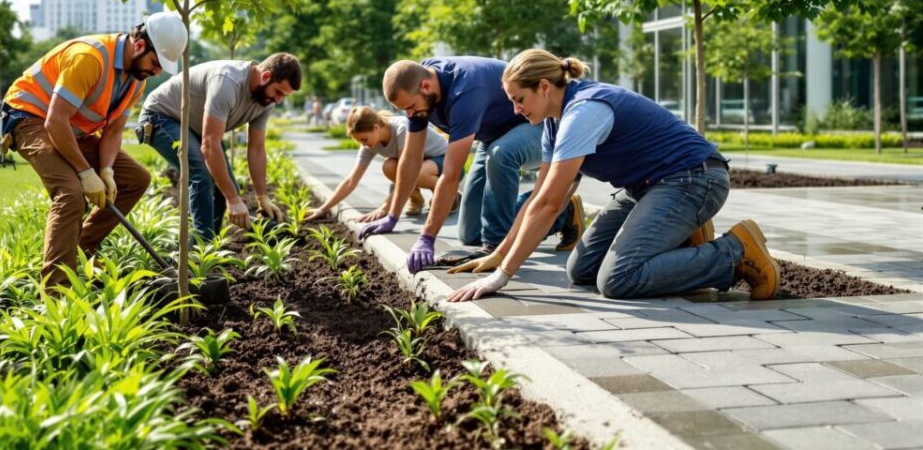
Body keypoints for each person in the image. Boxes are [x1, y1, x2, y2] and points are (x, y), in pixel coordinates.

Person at [447, 49, 779, 302]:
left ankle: (736, 253)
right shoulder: (552, 122)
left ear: (544, 87)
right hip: (648, 187)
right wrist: (499, 252)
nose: (516, 111)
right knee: (581, 270)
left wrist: (502, 277)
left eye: (519, 100)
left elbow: (549, 205)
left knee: (619, 280)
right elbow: (540, 197)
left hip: (693, 179)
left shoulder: (583, 113)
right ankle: (683, 236)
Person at [0, 11, 186, 291]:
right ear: (139, 46)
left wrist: (107, 171)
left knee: (136, 179)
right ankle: (57, 292)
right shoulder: (89, 58)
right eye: (156, 62)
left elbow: (112, 131)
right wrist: (87, 173)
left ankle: (79, 250)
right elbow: (55, 120)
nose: (157, 71)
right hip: (29, 117)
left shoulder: (137, 80)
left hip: (71, 128)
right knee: (71, 192)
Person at [359, 57, 584, 274]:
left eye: (410, 107)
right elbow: (410, 160)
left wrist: (427, 237)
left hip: (541, 124)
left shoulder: (465, 90)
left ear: (426, 86)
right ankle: (564, 212)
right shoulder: (418, 86)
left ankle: (497, 247)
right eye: (404, 110)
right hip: (493, 137)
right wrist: (392, 216)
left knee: (501, 155)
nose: (410, 115)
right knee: (470, 234)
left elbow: (451, 174)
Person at [136, 53, 301, 241]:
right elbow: (209, 144)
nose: (279, 100)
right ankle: (198, 256)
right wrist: (233, 199)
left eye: (284, 96)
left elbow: (256, 149)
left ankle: (209, 251)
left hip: (194, 126)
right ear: (265, 77)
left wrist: (262, 197)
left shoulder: (266, 102)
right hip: (161, 116)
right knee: (202, 175)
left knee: (227, 187)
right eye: (279, 92)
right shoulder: (227, 81)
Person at [307, 106, 455, 222]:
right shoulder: (370, 143)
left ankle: (449, 193)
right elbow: (351, 180)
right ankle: (416, 199)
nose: (363, 144)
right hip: (422, 164)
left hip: (446, 162)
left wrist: (384, 209)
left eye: (363, 139)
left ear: (376, 127)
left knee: (415, 172)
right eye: (359, 141)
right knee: (389, 166)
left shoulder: (402, 129)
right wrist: (323, 209)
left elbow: (409, 171)